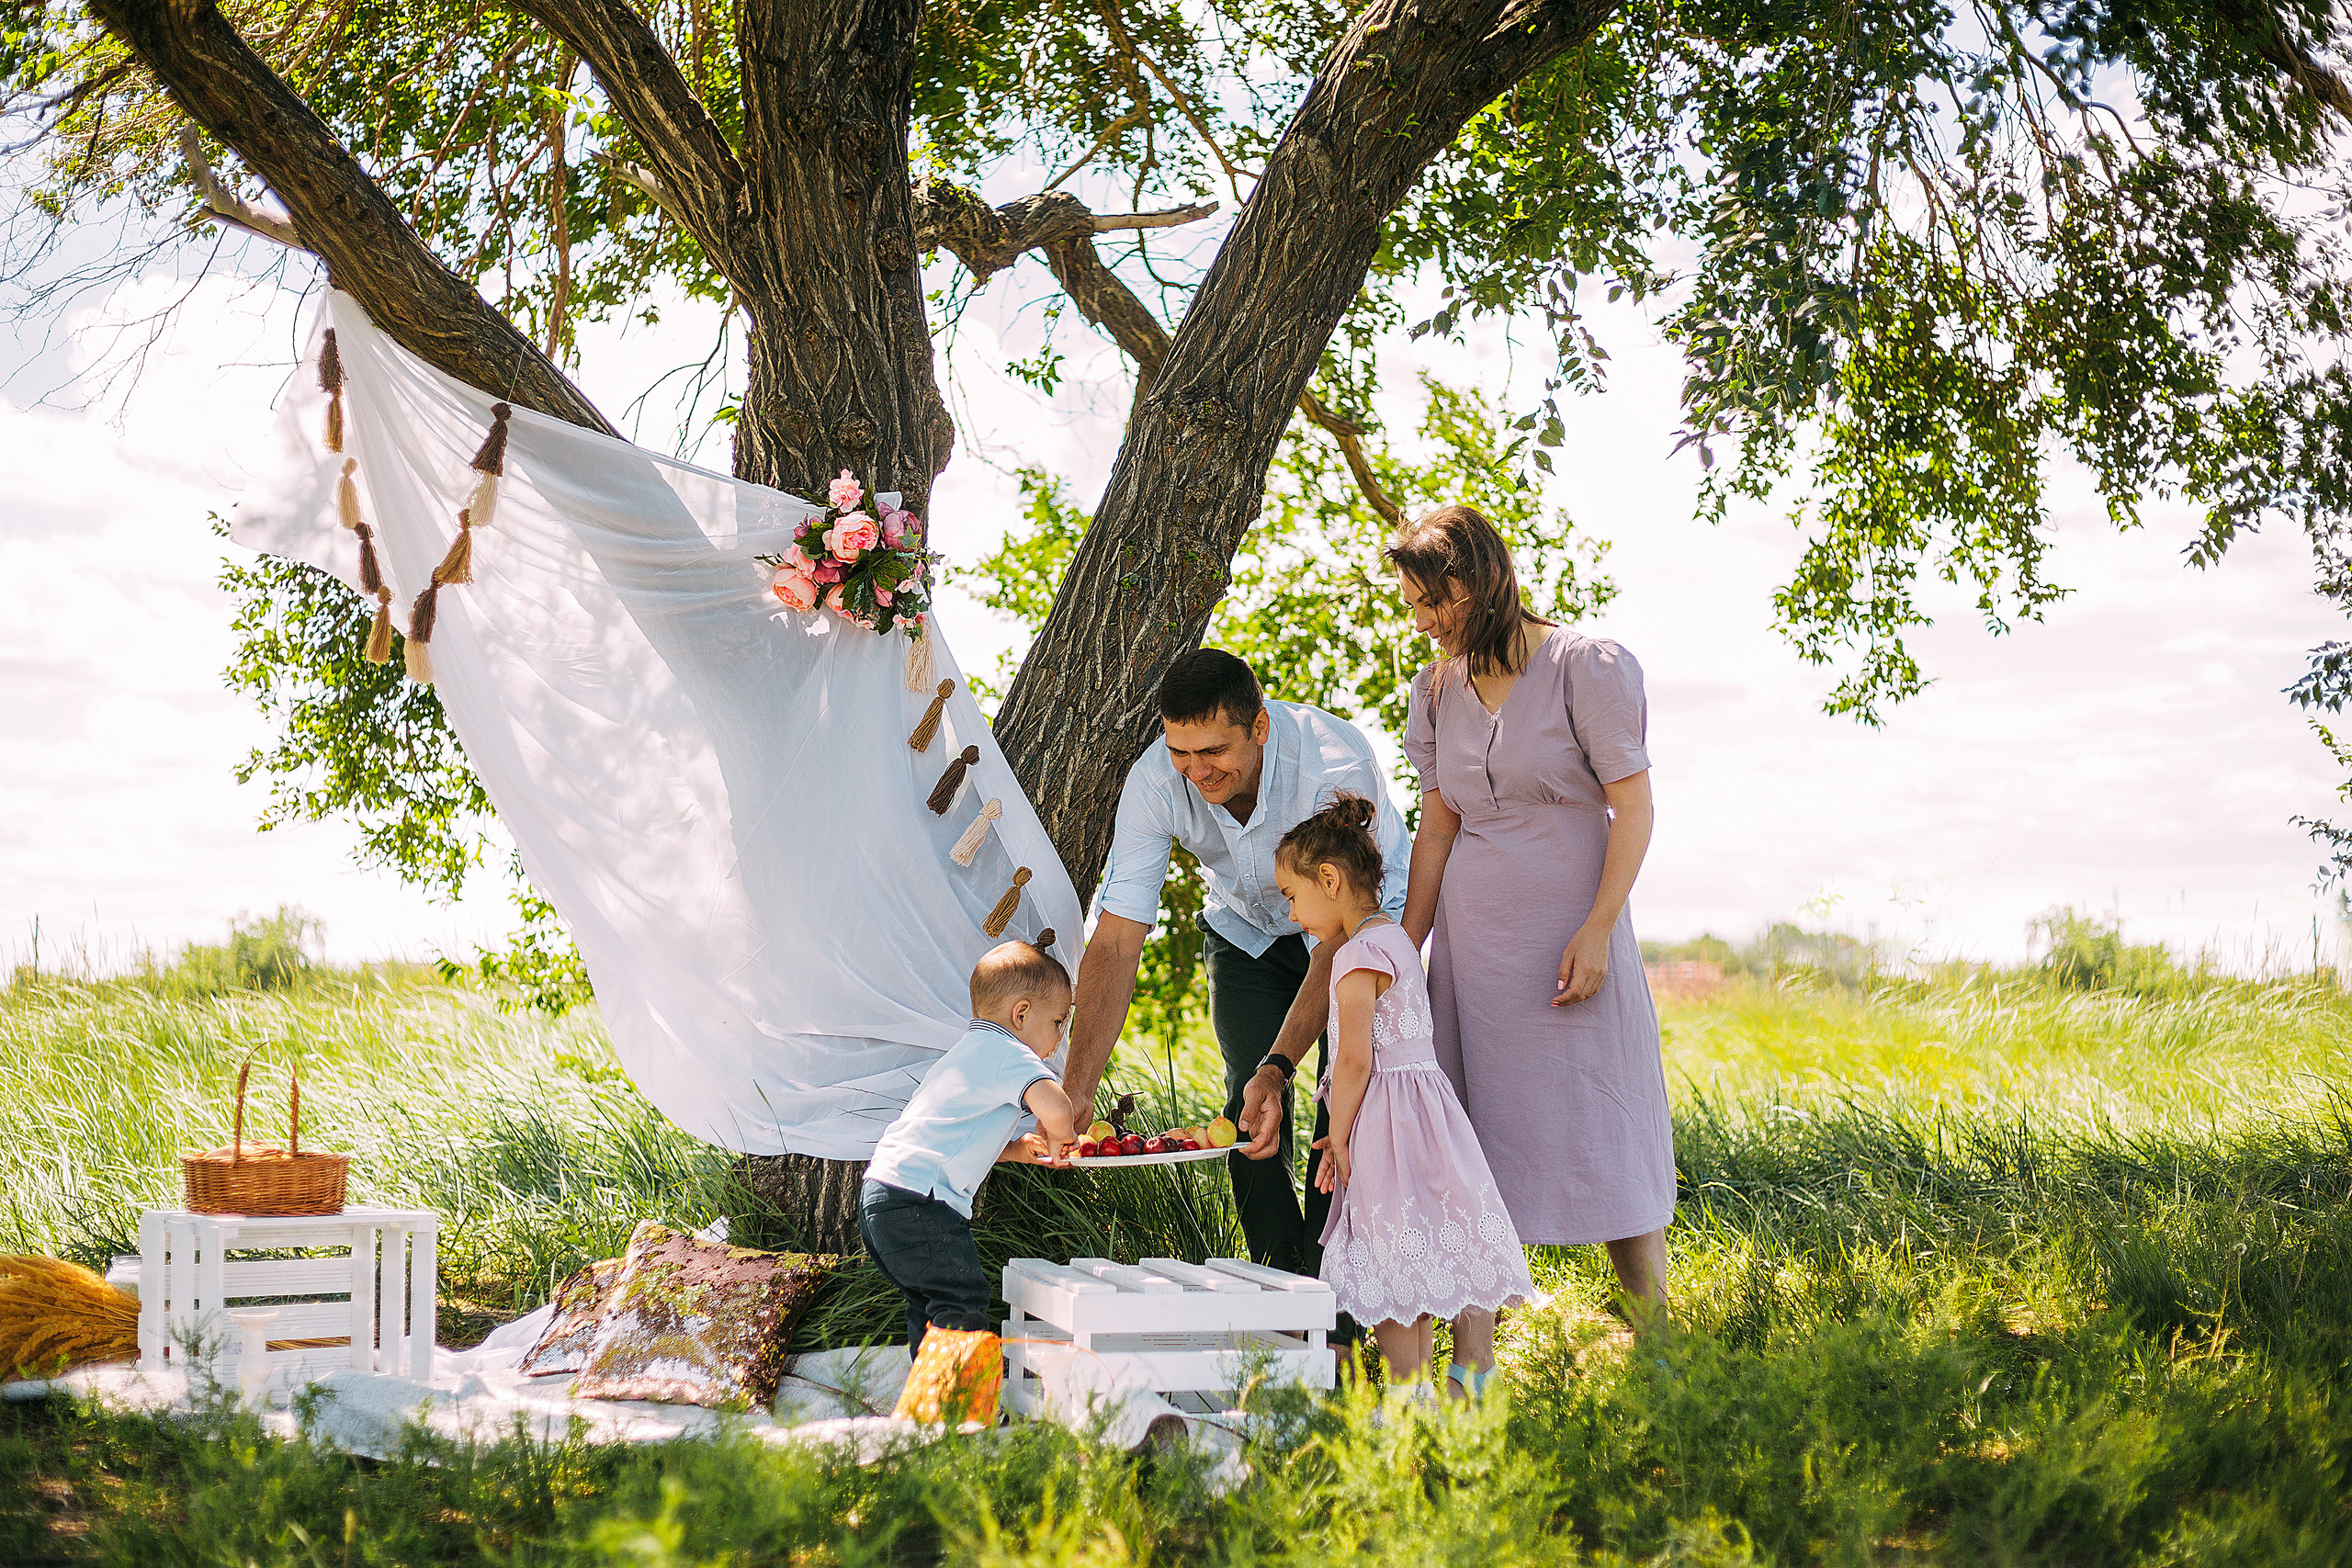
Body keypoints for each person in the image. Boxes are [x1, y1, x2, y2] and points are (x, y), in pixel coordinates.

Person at [1393, 503, 1675, 1310]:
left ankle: (1654, 1337)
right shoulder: (1435, 689)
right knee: (1475, 1140)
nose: (1424, 622)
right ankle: (1479, 1349)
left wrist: (1596, 928)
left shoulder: (1588, 666)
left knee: (1603, 1119)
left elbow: (1636, 808)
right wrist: (1403, 950)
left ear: (1483, 582)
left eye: (1434, 601)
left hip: (1570, 936)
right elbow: (1438, 828)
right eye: (1413, 605)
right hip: (1473, 950)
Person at [1061, 649, 1411, 1279]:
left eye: (1214, 752)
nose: (1196, 770)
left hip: (1350, 934)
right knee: (1245, 1110)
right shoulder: (1154, 781)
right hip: (1244, 930)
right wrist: (1077, 1087)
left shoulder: (1331, 763)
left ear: (1259, 727)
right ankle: (1280, 1292)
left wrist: (1280, 1067)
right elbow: (1116, 939)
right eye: (1180, 752)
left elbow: (1338, 937)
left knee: (1346, 1105)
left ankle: (1342, 1314)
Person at [1274, 795, 1533, 1398]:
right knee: (1417, 1249)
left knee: (1390, 1253)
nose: (1293, 914)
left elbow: (1357, 1058)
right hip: (1430, 1120)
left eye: (1293, 895)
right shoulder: (1395, 941)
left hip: (1385, 1127)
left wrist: (1337, 1134)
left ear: (1330, 880)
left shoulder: (1355, 956)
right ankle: (1441, 1391)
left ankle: (1405, 1392)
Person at [860, 939, 1079, 1352]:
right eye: (1057, 1022)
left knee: (929, 1308)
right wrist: (1064, 1138)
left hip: (884, 1194)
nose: (1059, 1036)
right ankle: (959, 1407)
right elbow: (1056, 1104)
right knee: (962, 1302)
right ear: (1021, 1013)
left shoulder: (968, 1053)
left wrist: (1014, 1149)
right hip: (921, 1200)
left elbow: (957, 1131)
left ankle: (931, 1407)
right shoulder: (1009, 1051)